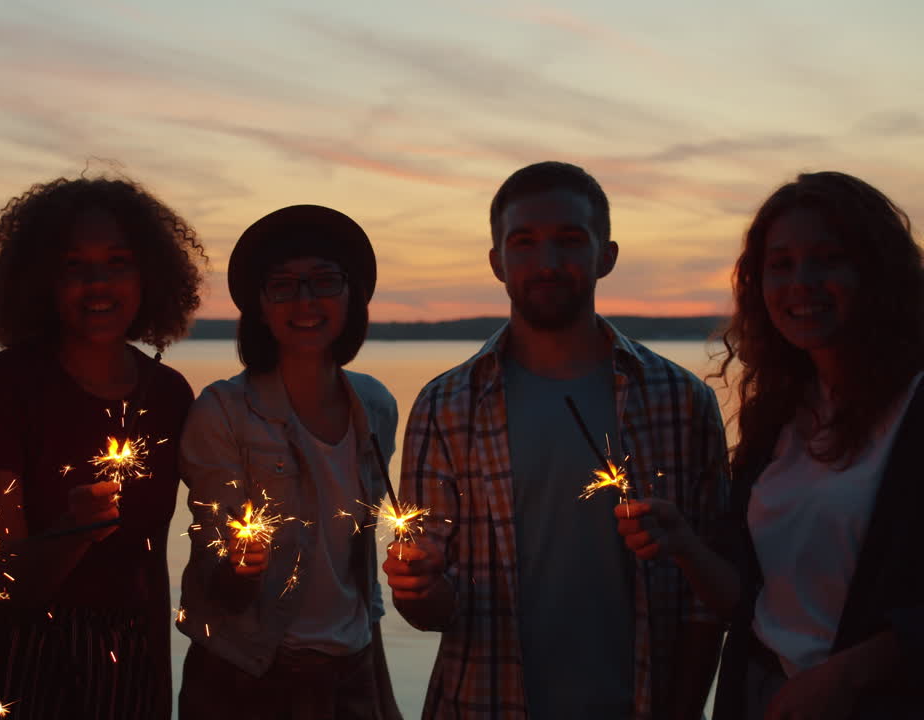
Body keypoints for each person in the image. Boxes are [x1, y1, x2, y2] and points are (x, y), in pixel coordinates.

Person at [383, 161, 730, 719]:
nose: (546, 263)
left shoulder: (680, 399)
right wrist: (414, 588)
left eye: (570, 241)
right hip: (483, 705)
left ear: (606, 256)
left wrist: (684, 707)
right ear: (497, 262)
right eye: (524, 244)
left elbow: (709, 596)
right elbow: (435, 609)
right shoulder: (446, 405)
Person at [615, 171, 924, 719]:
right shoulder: (780, 416)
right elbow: (748, 598)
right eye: (780, 265)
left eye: (827, 258)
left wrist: (849, 675)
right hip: (762, 695)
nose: (801, 282)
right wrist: (685, 543)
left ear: (877, 273)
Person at [0, 175, 204, 719]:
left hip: (125, 660)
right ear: (41, 280)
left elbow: (150, 568)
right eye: (74, 266)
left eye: (119, 261)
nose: (98, 284)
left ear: (149, 274)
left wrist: (157, 688)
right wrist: (73, 533)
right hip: (8, 662)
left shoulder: (168, 393)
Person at [177, 205, 401, 719]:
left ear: (352, 296)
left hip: (353, 672)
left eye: (324, 281)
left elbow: (358, 576)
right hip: (248, 676)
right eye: (283, 285)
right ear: (259, 304)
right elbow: (216, 575)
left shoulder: (375, 406)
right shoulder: (223, 412)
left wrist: (382, 695)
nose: (305, 301)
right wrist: (239, 567)